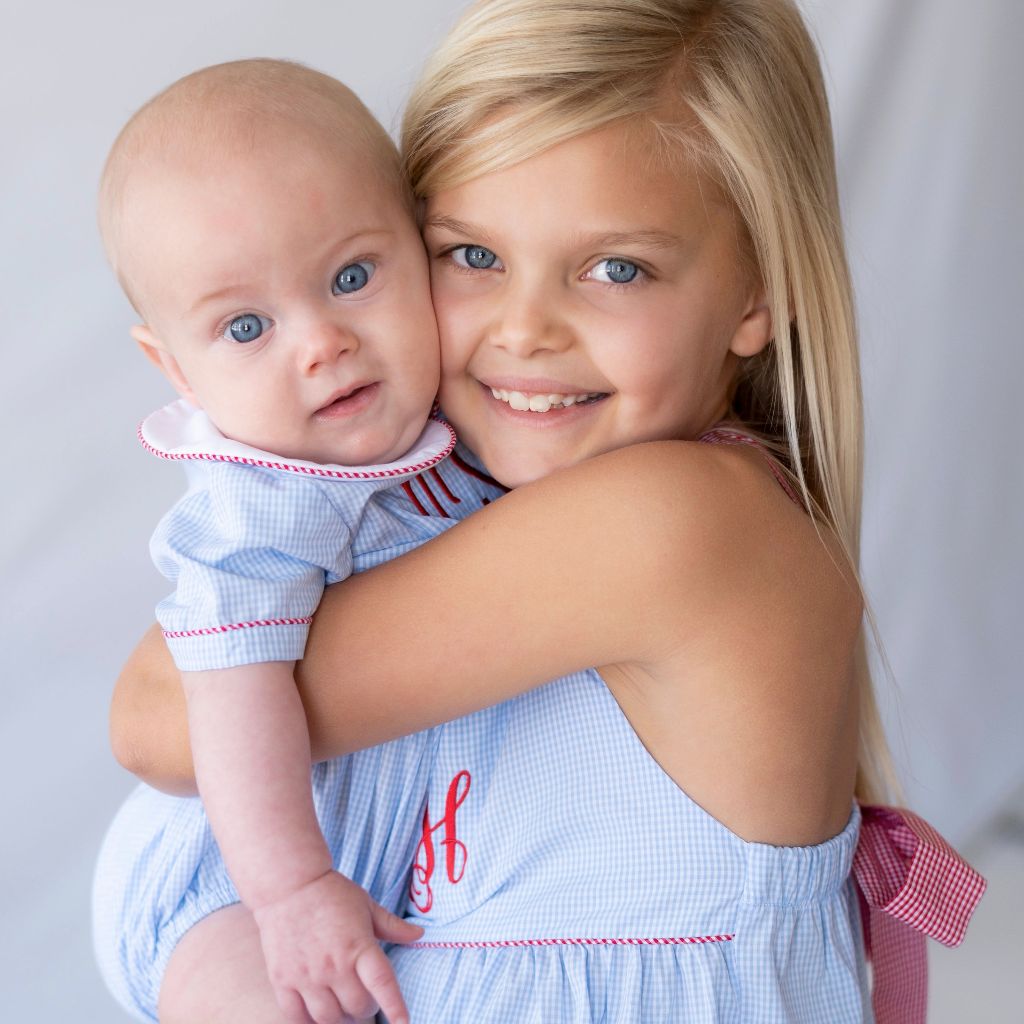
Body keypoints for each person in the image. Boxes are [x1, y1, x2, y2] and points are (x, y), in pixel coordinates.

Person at [95, 2, 985, 1022]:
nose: (523, 330)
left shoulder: (666, 521)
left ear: (757, 293)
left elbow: (157, 718)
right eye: (470, 254)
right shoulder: (481, 503)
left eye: (616, 268)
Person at [96, 58, 473, 1024]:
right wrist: (292, 891)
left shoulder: (462, 421)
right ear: (174, 368)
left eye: (352, 277)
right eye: (248, 325)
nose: (320, 342)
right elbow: (230, 693)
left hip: (390, 853)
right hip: (237, 869)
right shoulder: (261, 499)